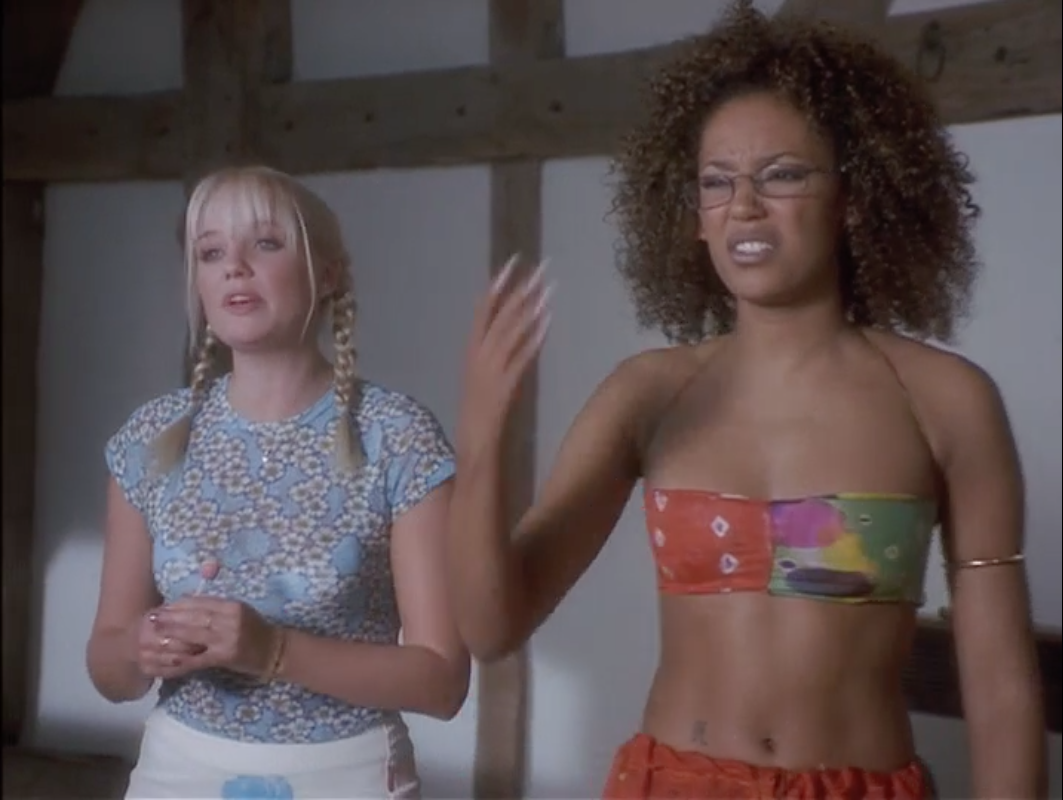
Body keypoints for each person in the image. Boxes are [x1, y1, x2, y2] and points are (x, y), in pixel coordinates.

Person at [447, 3, 1046, 798]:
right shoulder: (647, 393)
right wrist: (482, 436)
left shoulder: (946, 400)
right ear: (693, 218)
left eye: (783, 174)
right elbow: (491, 627)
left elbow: (1000, 687)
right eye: (716, 182)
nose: (743, 206)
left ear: (854, 196)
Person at [86, 165, 469, 799]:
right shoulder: (149, 439)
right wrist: (138, 647)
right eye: (211, 252)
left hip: (346, 777)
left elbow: (443, 682)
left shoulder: (397, 437)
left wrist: (274, 651)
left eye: (265, 243)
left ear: (330, 272)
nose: (234, 267)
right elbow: (108, 669)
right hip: (177, 772)